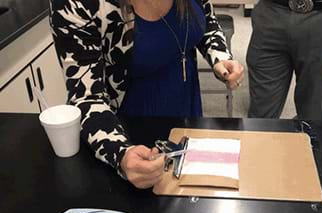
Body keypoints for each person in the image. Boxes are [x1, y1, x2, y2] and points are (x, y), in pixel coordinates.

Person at [49, 0, 244, 189]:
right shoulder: (77, 4)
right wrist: (122, 154)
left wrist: (219, 56)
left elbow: (206, 18)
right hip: (126, 137)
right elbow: (87, 97)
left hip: (186, 117)